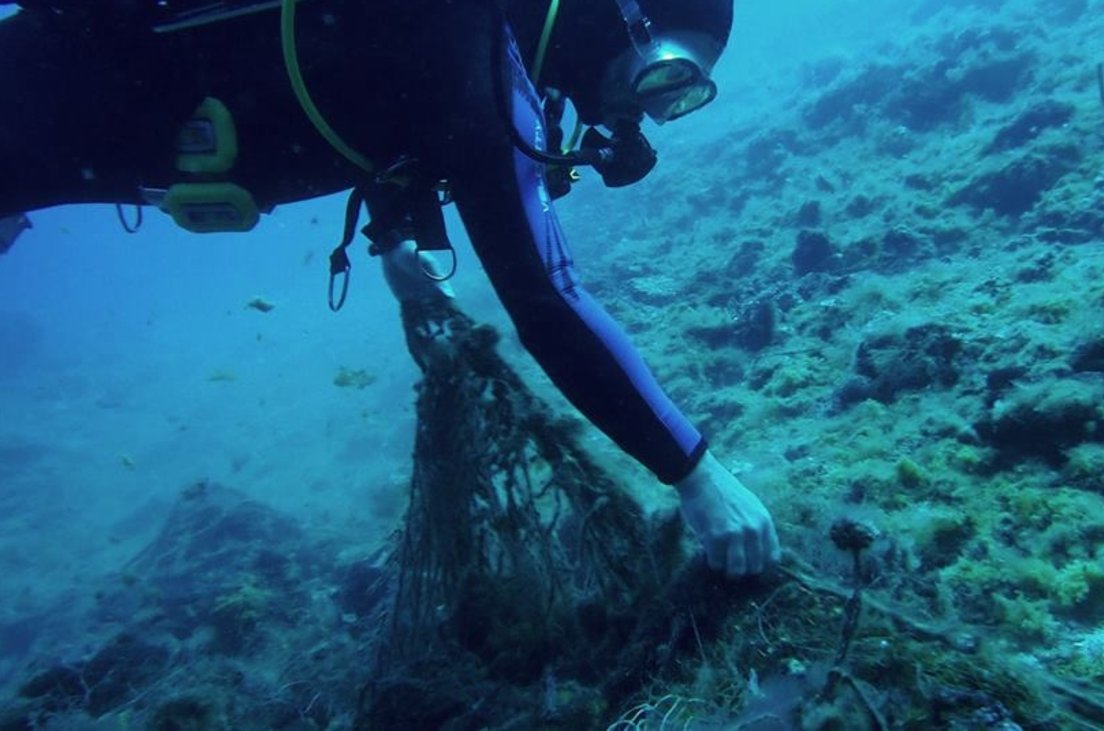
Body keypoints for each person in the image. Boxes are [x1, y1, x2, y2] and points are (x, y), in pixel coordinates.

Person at [0, 0, 780, 577]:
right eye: (662, 78)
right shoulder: (476, 43)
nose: (646, 111)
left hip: (71, 100)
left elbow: (379, 85)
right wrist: (694, 473)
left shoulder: (464, 37)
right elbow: (547, 299)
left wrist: (394, 229)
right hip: (60, 94)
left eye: (681, 99)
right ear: (621, 18)